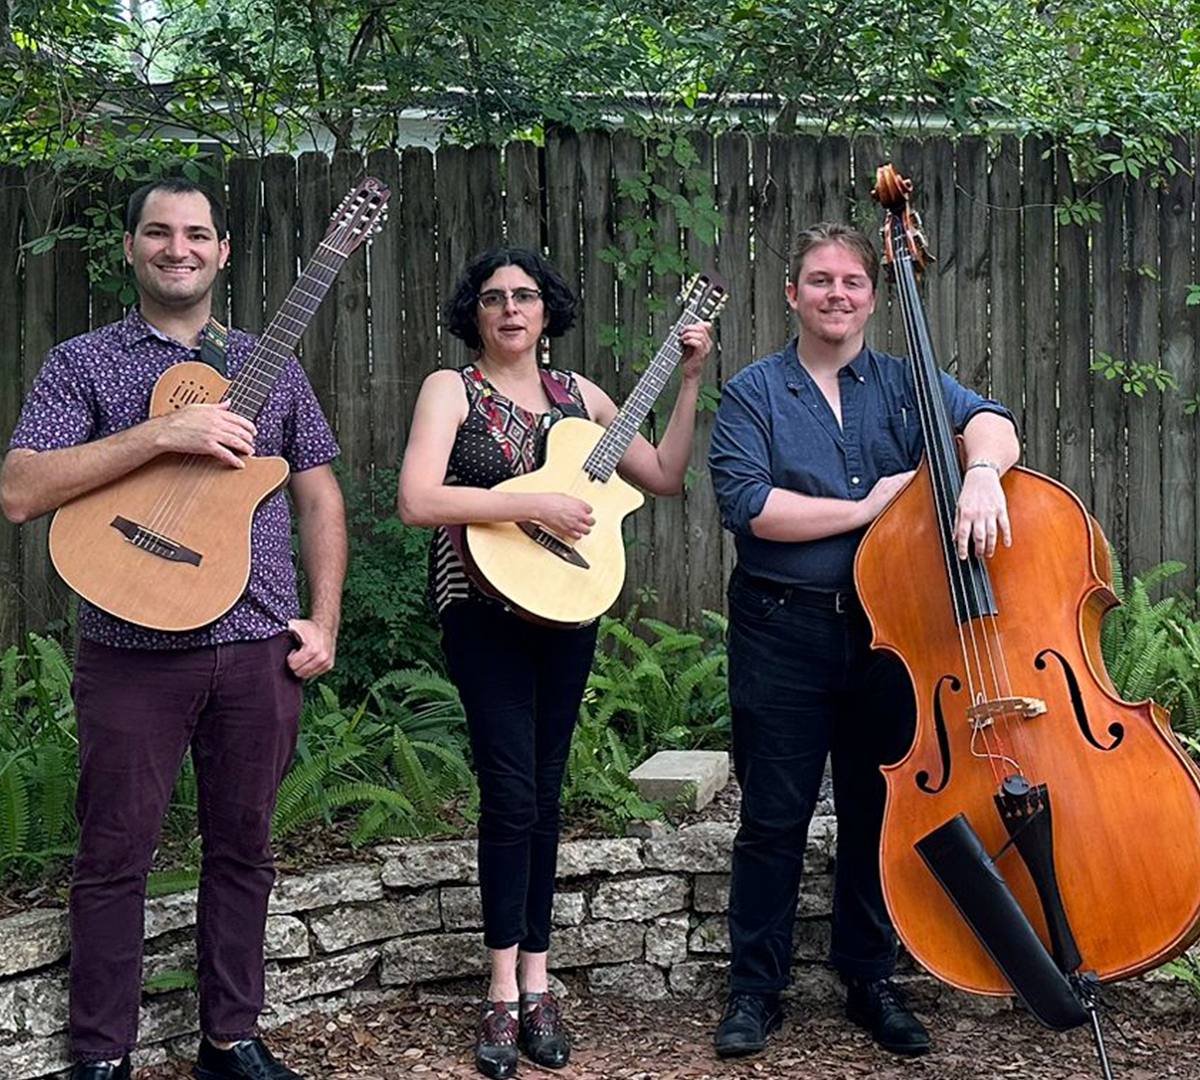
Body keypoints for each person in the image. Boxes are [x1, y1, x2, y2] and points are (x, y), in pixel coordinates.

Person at [0, 178, 347, 1080]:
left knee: (246, 849)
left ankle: (231, 1037)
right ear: (129, 249)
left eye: (197, 234)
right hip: (129, 651)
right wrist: (162, 435)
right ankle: (101, 1054)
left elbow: (318, 492)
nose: (177, 248)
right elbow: (20, 490)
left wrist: (326, 617)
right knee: (113, 854)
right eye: (158, 233)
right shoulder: (82, 363)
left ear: (223, 252)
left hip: (256, 645)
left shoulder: (274, 365)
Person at [707, 222, 1019, 1059]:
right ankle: (755, 991)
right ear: (792, 294)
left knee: (878, 814)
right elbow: (750, 506)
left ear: (873, 297)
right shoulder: (752, 392)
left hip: (895, 638)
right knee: (772, 818)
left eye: (851, 281)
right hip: (782, 629)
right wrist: (866, 508)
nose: (835, 294)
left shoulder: (908, 382)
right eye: (819, 281)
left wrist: (981, 469)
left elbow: (992, 419)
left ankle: (870, 979)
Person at [398, 247, 711, 1079]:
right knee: (507, 792)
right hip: (482, 610)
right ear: (476, 313)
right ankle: (501, 989)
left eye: (525, 296)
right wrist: (532, 500)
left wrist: (685, 381)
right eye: (494, 298)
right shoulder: (450, 391)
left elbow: (667, 475)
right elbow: (417, 499)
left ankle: (541, 980)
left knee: (544, 790)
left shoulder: (583, 400)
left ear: (546, 311)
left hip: (568, 608)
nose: (509, 309)